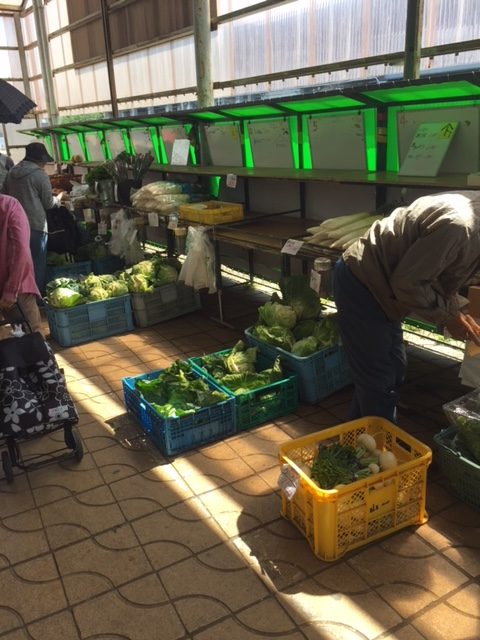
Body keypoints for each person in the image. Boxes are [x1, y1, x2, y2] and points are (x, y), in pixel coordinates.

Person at [333, 190, 480, 423]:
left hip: (386, 289)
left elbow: (438, 275)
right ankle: (377, 451)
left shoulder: (472, 220)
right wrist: (448, 318)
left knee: (393, 369)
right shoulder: (460, 227)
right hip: (363, 282)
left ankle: (355, 441)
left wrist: (457, 311)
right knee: (378, 379)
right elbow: (408, 284)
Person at [4, 142, 64, 294]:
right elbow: (48, 203)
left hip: (13, 224)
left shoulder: (11, 172)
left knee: (18, 265)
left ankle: (22, 300)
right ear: (40, 159)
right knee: (37, 265)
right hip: (35, 225)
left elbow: (5, 194)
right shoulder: (39, 175)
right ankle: (36, 300)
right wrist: (59, 198)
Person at [0, 194, 44, 337]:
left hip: (16, 287)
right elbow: (21, 250)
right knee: (32, 338)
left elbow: (20, 251)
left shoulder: (9, 205)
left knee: (30, 338)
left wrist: (11, 290)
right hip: (17, 288)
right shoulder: (9, 205)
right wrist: (11, 291)